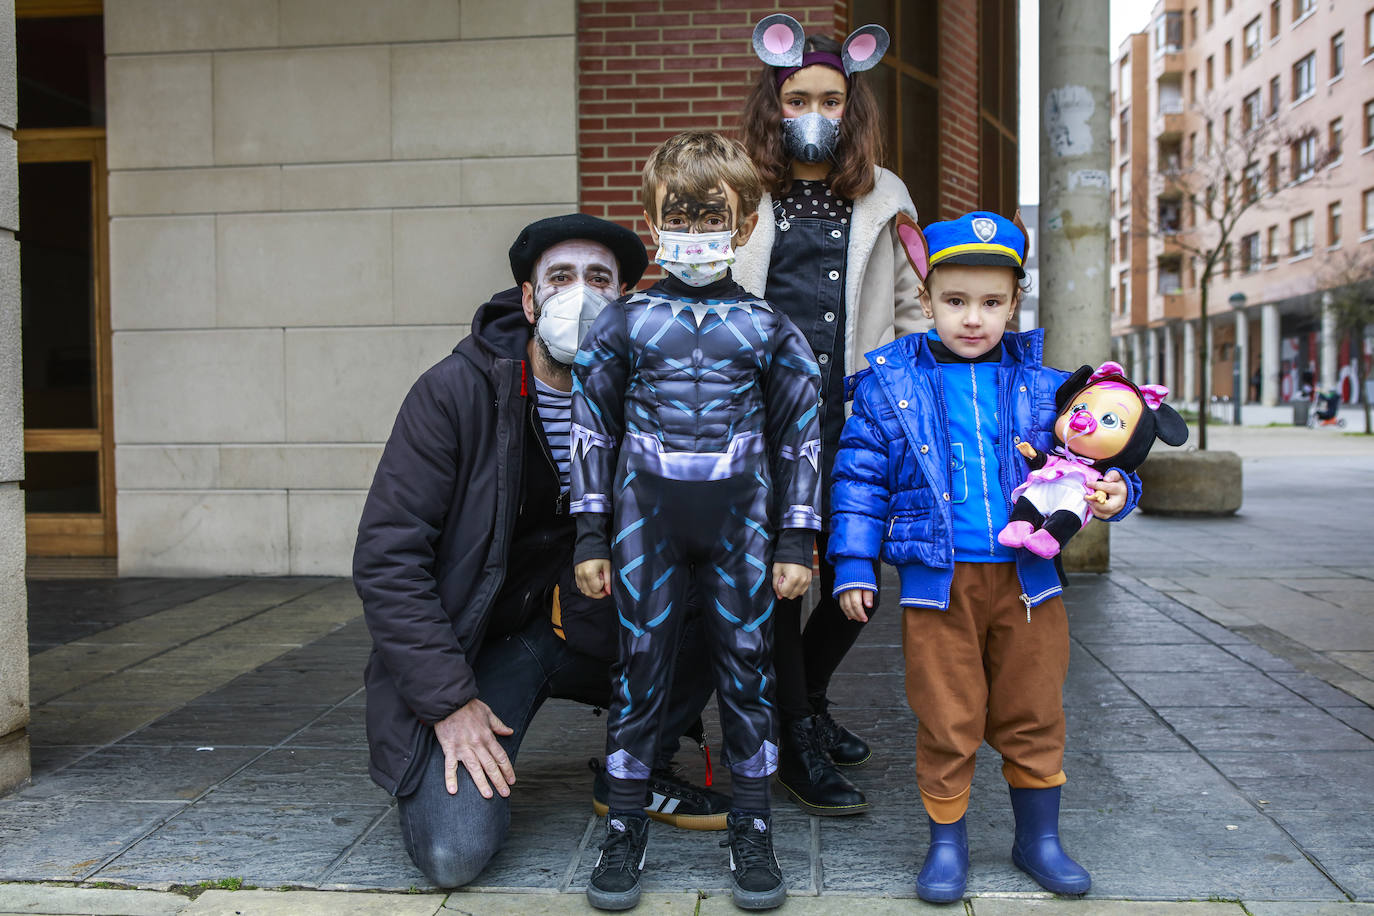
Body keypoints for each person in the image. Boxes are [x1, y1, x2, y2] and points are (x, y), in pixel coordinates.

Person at [353, 214, 726, 890]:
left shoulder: (652, 395)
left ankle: (640, 766)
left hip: (595, 619)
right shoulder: (454, 394)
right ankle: (459, 738)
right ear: (528, 300)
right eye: (559, 278)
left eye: (598, 281)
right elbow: (387, 559)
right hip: (482, 646)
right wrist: (446, 701)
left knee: (730, 575)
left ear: (624, 303)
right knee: (453, 853)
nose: (577, 295)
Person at [827, 211, 1142, 903]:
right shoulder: (888, 383)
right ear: (927, 296)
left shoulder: (1048, 385)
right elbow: (858, 478)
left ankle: (1040, 840)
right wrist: (853, 563)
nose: (974, 318)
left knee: (1034, 709)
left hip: (1030, 585)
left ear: (1014, 303)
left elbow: (1102, 449)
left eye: (992, 303)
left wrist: (1121, 490)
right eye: (956, 301)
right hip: (937, 589)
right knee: (947, 713)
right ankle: (947, 845)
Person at [571, 130, 822, 911]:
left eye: (712, 217)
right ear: (650, 219)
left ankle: (753, 827)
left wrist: (797, 538)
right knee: (637, 675)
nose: (695, 232)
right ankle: (625, 829)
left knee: (748, 678)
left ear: (744, 224)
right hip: (643, 523)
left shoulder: (771, 329)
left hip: (743, 527)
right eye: (678, 215)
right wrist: (588, 532)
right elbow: (592, 429)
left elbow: (801, 435)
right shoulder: (622, 323)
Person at [733, 13, 925, 816]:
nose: (815, 109)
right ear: (775, 103)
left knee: (861, 571)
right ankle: (795, 737)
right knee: (782, 579)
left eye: (831, 97)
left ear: (853, 107)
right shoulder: (739, 188)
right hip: (766, 416)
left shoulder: (888, 195)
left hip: (860, 415)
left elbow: (915, 305)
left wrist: (918, 403)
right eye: (799, 96)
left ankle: (801, 703)